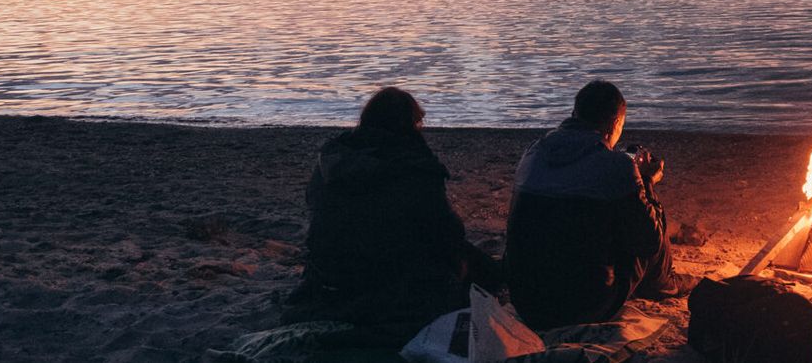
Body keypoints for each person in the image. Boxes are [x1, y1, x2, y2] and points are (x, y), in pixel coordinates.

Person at [285, 87, 501, 342]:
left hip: (329, 278)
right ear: (412, 124)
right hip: (386, 282)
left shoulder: (332, 163)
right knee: (483, 269)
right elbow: (447, 234)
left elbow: (316, 208)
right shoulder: (413, 167)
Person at [505, 79, 689, 329]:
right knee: (644, 229)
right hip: (584, 306)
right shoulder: (617, 166)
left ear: (574, 114)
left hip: (526, 300)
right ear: (615, 123)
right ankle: (666, 284)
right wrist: (646, 181)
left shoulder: (533, 152)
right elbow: (648, 242)